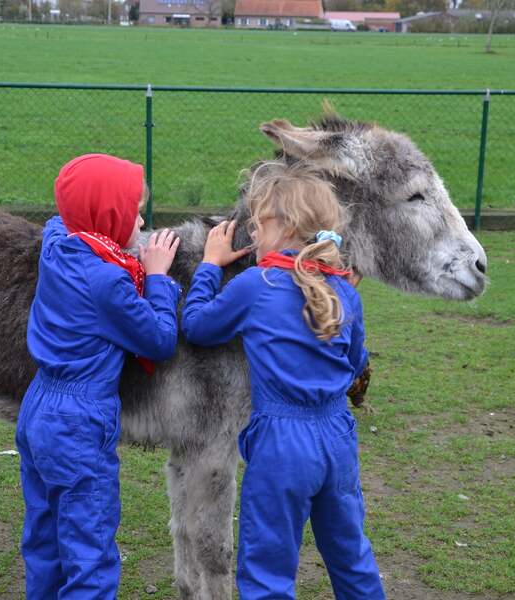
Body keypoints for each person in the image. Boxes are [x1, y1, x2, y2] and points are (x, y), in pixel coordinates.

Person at [181, 162, 386, 600]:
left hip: (281, 445)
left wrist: (209, 266)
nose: (252, 234)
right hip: (337, 440)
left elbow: (197, 327)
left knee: (267, 570)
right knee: (351, 557)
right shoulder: (344, 291)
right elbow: (355, 364)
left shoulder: (255, 284)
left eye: (259, 224)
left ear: (288, 226)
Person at [15, 153, 181, 599]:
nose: (142, 219)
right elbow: (160, 340)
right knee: (90, 550)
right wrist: (159, 277)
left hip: (38, 408)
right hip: (78, 420)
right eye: (134, 211)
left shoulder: (57, 244)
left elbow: (60, 218)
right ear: (108, 217)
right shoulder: (108, 282)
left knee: (44, 538)